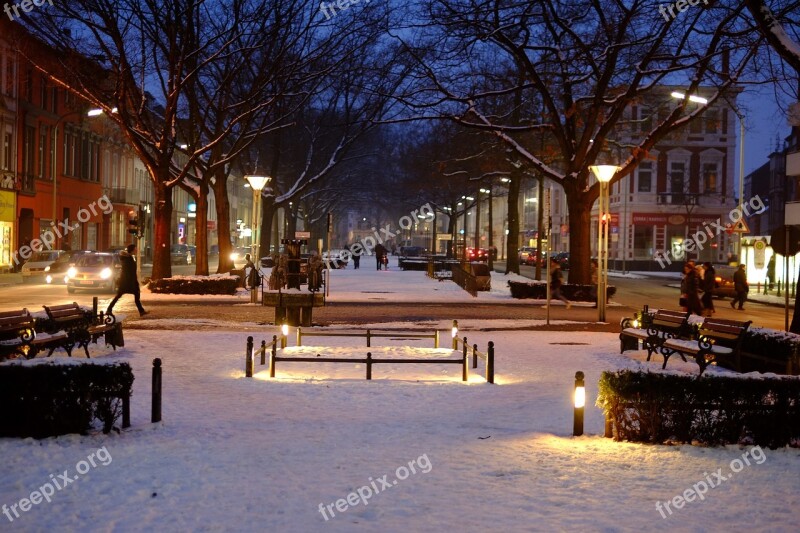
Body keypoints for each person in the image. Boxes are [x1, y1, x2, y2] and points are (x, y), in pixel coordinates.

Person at [107, 244, 147, 317]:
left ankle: (141, 311)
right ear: (132, 250)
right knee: (121, 295)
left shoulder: (129, 257)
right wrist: (132, 281)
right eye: (135, 249)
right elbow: (128, 271)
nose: (136, 250)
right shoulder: (127, 259)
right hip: (127, 282)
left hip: (128, 281)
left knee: (134, 295)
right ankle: (109, 309)